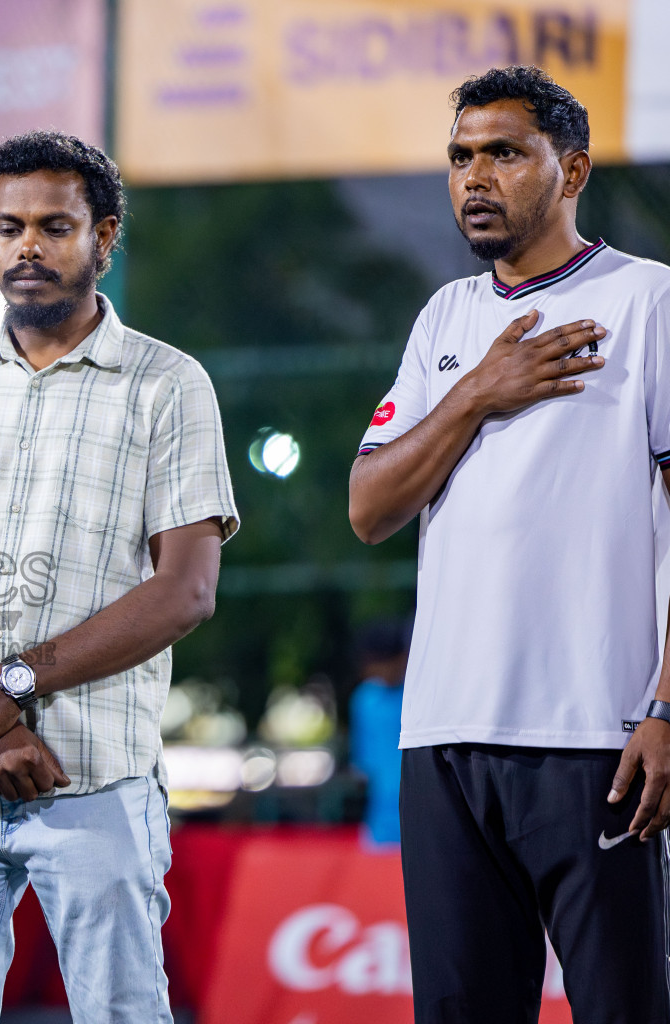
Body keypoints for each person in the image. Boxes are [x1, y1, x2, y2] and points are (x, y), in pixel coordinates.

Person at [0, 131, 239, 1024]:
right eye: (8, 226)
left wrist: (15, 683)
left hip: (96, 778)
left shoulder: (168, 384)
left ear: (104, 238)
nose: (28, 246)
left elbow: (186, 589)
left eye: (55, 226)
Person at [349, 66, 670, 1022]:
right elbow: (370, 506)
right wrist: (480, 390)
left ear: (570, 170)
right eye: (459, 157)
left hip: (596, 735)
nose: (474, 177)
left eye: (503, 153)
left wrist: (667, 706)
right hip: (443, 736)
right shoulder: (445, 320)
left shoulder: (648, 300)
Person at [348, 619, 410, 847]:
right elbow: (362, 767)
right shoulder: (365, 699)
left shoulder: (416, 696)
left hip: (420, 819)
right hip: (379, 823)